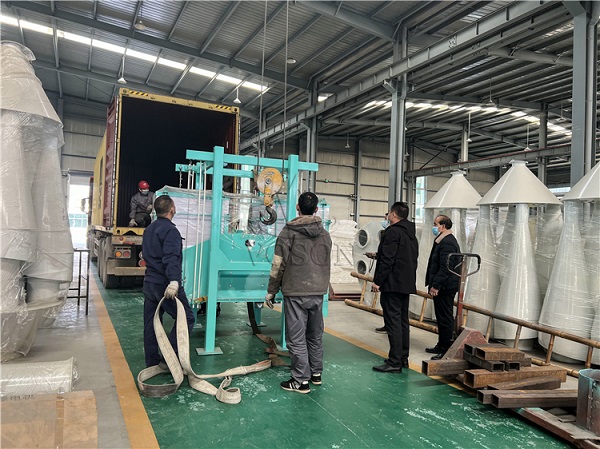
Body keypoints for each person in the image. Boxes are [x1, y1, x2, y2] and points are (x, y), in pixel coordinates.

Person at [264, 192, 332, 394]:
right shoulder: (325, 234)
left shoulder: (288, 232)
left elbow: (278, 265)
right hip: (318, 291)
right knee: (314, 334)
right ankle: (316, 374)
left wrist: (271, 291)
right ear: (317, 209)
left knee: (296, 338)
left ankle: (300, 381)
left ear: (297, 208)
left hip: (296, 291)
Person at [142, 195, 195, 368]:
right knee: (186, 318)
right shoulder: (171, 231)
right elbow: (170, 258)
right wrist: (174, 281)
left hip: (149, 282)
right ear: (172, 209)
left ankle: (152, 360)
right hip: (165, 284)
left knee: (151, 321)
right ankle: (169, 359)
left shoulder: (149, 230)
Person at [371, 202, 418, 373]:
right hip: (405, 283)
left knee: (393, 322)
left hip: (392, 284)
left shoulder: (392, 232)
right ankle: (402, 357)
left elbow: (388, 260)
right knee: (402, 321)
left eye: (388, 214)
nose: (387, 217)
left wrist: (378, 281)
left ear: (393, 214)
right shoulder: (411, 234)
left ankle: (394, 361)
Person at [425, 215, 461, 360]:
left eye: (435, 224)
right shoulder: (441, 240)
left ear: (443, 226)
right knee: (441, 316)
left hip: (445, 287)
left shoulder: (448, 242)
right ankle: (441, 344)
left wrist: (436, 285)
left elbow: (446, 267)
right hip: (443, 285)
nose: (434, 227)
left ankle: (446, 348)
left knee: (445, 317)